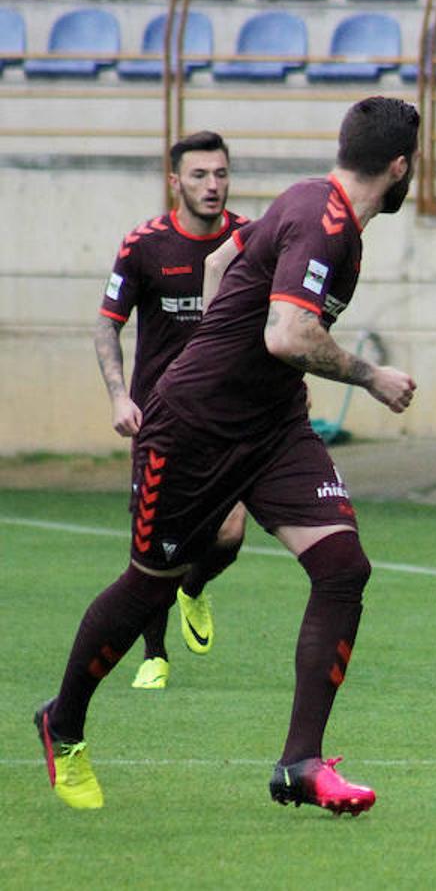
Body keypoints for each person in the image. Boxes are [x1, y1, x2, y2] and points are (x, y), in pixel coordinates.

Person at [35, 96, 420, 813]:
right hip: (191, 431)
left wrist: (229, 353)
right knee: (151, 584)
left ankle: (299, 765)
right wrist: (370, 376)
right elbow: (287, 336)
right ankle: (62, 724)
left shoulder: (307, 201)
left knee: (342, 566)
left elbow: (219, 267)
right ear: (399, 167)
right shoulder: (322, 220)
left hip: (273, 429)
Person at [95, 131, 249, 691]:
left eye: (221, 174)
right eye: (200, 175)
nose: (212, 185)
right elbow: (107, 325)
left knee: (230, 532)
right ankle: (155, 655)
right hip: (161, 416)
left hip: (227, 415)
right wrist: (119, 395)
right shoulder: (144, 246)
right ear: (175, 181)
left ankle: (192, 588)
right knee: (156, 536)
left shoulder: (247, 240)